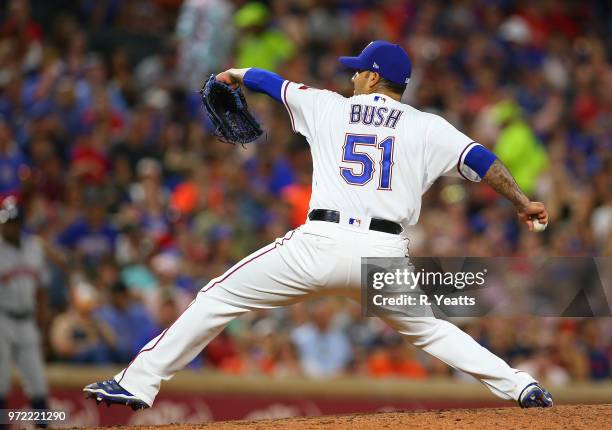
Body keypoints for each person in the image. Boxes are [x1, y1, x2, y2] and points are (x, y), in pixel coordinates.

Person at [84, 41, 553, 409]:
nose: (352, 75)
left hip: (319, 244)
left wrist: (236, 74)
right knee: (432, 330)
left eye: (358, 69)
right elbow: (482, 160)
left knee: (219, 297)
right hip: (383, 254)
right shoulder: (429, 126)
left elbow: (273, 83)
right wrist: (521, 201)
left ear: (373, 77)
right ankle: (521, 386)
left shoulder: (329, 106)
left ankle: (137, 383)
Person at [0, 197, 49, 416]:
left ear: (21, 224)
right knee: (0, 383)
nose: (10, 227)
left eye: (14, 222)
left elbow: (42, 289)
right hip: (2, 319)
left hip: (27, 320)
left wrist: (44, 325)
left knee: (38, 383)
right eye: (6, 222)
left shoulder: (34, 247)